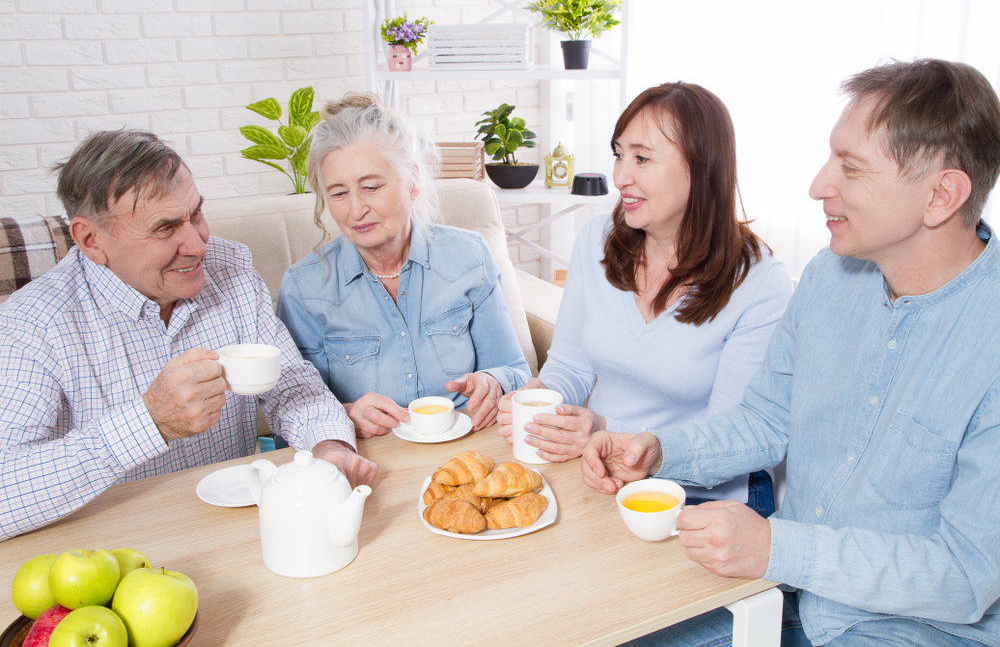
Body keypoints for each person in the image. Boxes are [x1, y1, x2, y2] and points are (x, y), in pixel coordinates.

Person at [584, 58, 1000, 646]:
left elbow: (965, 574)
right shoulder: (831, 277)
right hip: (784, 594)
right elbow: (767, 419)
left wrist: (777, 547)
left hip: (908, 629)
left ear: (942, 195)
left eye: (849, 169)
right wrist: (658, 450)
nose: (817, 186)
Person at [0, 129, 377, 542]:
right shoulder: (31, 325)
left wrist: (328, 444)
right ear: (91, 240)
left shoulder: (229, 266)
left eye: (196, 213)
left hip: (234, 530)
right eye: (165, 228)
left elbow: (290, 384)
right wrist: (149, 422)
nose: (198, 244)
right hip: (104, 551)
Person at [497, 82, 793, 514]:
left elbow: (732, 436)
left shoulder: (761, 282)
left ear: (701, 167)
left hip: (701, 499)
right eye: (618, 154)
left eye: (641, 158)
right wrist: (545, 403)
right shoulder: (596, 240)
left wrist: (605, 429)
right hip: (599, 475)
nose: (619, 177)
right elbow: (570, 365)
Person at [276, 93, 531, 438]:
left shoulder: (469, 256)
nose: (355, 210)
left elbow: (515, 371)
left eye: (371, 187)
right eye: (338, 194)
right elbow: (291, 411)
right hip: (371, 464)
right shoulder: (304, 288)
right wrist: (346, 413)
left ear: (413, 180)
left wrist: (493, 382)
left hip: (468, 449)